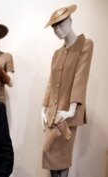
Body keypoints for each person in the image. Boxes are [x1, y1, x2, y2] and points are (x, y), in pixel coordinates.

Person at [41, 4, 94, 177]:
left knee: (62, 157)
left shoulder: (85, 44)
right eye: (54, 26)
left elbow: (81, 76)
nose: (57, 29)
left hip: (67, 113)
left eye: (61, 24)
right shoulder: (57, 53)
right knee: (51, 155)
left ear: (70, 21)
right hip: (52, 112)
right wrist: (43, 107)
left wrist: (72, 108)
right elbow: (51, 81)